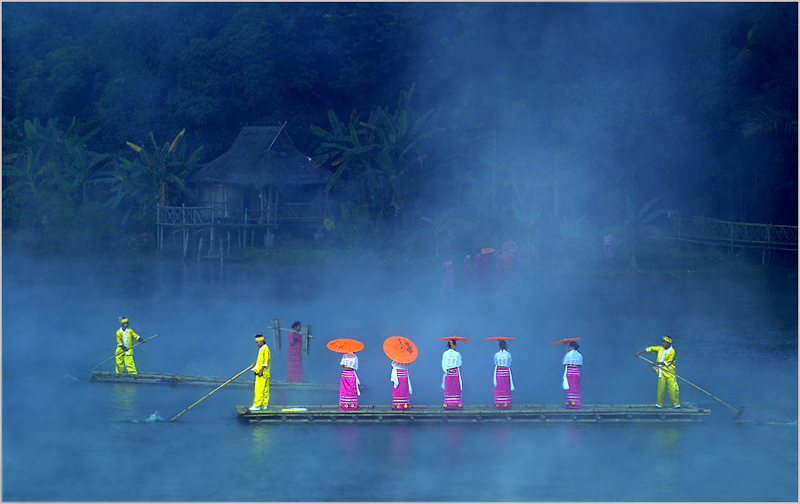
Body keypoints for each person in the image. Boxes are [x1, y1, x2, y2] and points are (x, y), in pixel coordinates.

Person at [635, 336, 680, 408]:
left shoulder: (672, 352)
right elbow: (651, 349)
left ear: (668, 343)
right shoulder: (660, 349)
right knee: (660, 389)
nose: (663, 344)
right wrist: (640, 352)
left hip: (669, 373)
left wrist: (658, 363)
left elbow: (668, 362)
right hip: (661, 373)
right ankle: (659, 405)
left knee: (673, 389)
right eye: (663, 342)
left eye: (665, 343)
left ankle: (676, 404)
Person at [250, 334, 271, 411]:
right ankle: (264, 405)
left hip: (262, 374)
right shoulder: (263, 349)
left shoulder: (265, 349)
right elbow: (261, 361)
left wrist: (260, 371)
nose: (257, 344)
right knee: (265, 390)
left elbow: (265, 362)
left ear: (262, 341)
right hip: (266, 373)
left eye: (258, 342)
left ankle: (257, 405)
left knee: (259, 390)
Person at [441, 339, 464, 409]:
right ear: (454, 345)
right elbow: (459, 363)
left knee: (449, 389)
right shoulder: (457, 354)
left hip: (448, 373)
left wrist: (447, 370)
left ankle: (448, 404)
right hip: (455, 372)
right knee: (455, 389)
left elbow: (443, 365)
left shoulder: (445, 354)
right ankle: (457, 404)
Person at [493, 340, 514, 409]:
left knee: (499, 387)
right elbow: (509, 362)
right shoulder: (508, 354)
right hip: (505, 371)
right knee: (505, 387)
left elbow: (495, 362)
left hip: (499, 371)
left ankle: (498, 403)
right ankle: (506, 403)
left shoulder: (497, 354)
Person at [562, 341, 583, 409]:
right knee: (576, 387)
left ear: (571, 347)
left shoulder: (568, 354)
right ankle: (577, 404)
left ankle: (571, 404)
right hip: (576, 372)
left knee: (570, 388)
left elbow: (564, 363)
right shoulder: (580, 355)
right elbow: (580, 365)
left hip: (570, 372)